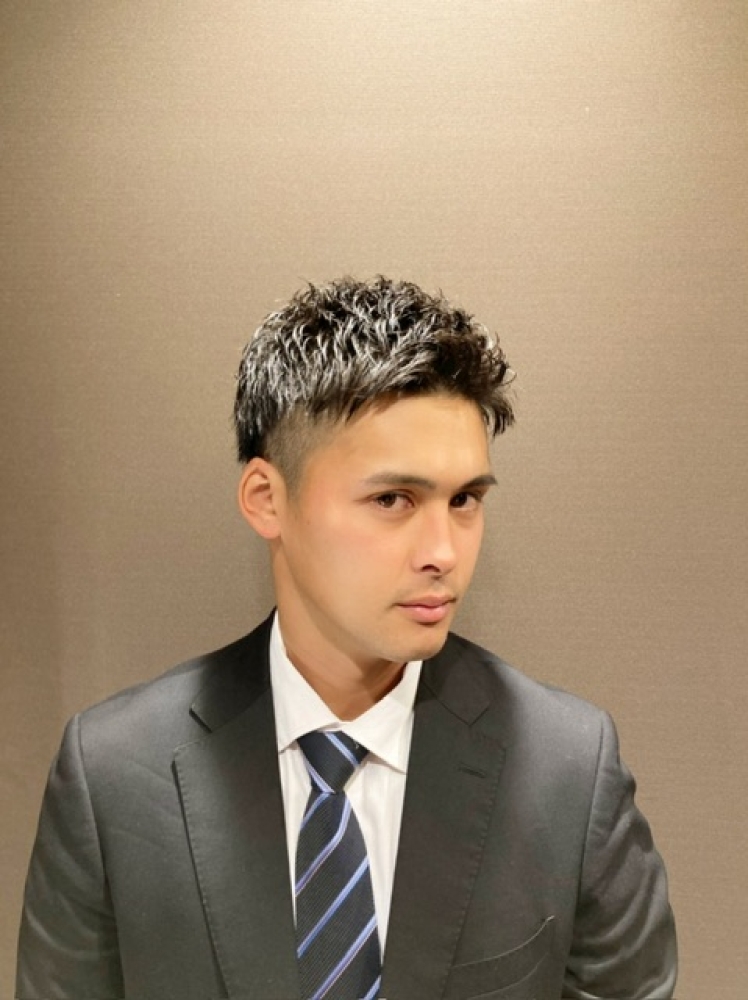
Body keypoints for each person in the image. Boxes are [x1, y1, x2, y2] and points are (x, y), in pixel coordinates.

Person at [16, 276, 677, 1000]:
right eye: (392, 499)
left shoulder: (568, 772)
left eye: (465, 500)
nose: (444, 552)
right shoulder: (113, 778)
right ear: (267, 499)